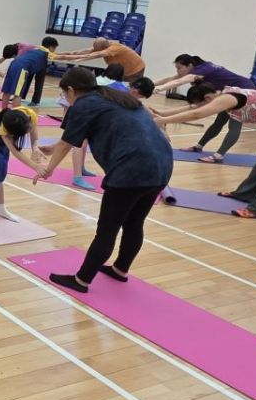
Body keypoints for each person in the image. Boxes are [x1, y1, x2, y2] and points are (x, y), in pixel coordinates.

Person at [34, 67, 173, 293]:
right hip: (161, 166)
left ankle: (81, 281)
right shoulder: (115, 96)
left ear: (71, 90)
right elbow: (69, 140)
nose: (65, 98)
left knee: (107, 229)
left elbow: (67, 143)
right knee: (134, 223)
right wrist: (53, 148)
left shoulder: (83, 105)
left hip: (131, 170)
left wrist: (47, 170)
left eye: (64, 94)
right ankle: (120, 269)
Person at [154, 83, 256, 218]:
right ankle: (246, 194)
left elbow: (196, 113)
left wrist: (163, 120)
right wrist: (161, 115)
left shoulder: (227, 98)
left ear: (207, 98)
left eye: (201, 103)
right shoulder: (222, 97)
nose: (202, 107)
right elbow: (193, 109)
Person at [153, 55, 255, 163]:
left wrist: (158, 89)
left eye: (179, 68)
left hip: (243, 92)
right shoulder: (202, 78)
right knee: (219, 122)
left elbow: (194, 109)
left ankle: (218, 156)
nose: (177, 71)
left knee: (234, 126)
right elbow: (173, 80)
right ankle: (199, 147)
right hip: (230, 92)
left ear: (190, 65)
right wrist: (150, 85)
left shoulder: (203, 70)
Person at [0, 107, 43, 238]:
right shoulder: (4, 127)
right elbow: (15, 152)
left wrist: (35, 147)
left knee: (0, 177)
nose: (28, 132)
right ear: (12, 133)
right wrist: (36, 167)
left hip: (1, 146)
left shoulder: (29, 114)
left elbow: (34, 132)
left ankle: (1, 209)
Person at [0, 38, 58, 108]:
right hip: (23, 67)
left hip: (15, 64)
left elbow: (58, 54)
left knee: (7, 91)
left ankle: (4, 111)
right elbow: (60, 56)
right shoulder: (45, 52)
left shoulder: (37, 48)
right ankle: (16, 113)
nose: (55, 50)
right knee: (17, 94)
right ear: (51, 47)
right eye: (55, 48)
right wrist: (71, 56)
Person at [56, 38, 146, 81]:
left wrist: (76, 60)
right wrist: (56, 55)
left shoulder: (114, 49)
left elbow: (91, 56)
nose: (95, 50)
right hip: (124, 71)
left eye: (97, 49)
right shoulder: (103, 46)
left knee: (126, 90)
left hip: (136, 70)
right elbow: (76, 53)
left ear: (102, 48)